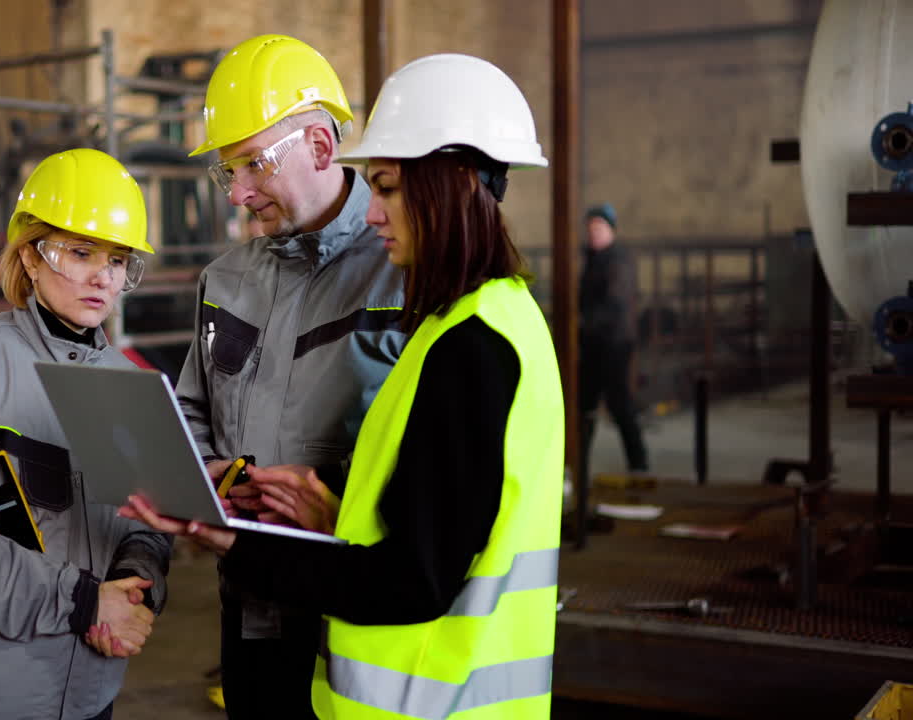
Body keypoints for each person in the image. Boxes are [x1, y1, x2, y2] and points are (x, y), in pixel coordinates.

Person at [123, 53, 565, 720]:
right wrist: (234, 493)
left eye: (385, 187)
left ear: (444, 185)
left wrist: (242, 540)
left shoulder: (460, 335)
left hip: (408, 674)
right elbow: (431, 523)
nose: (376, 211)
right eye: (227, 172)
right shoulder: (489, 319)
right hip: (303, 621)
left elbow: (414, 574)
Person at [175, 33, 407, 720]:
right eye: (227, 172)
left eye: (253, 164)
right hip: (251, 603)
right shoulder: (226, 280)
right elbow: (191, 413)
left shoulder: (405, 270)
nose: (240, 194)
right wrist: (207, 481)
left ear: (320, 148)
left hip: (357, 608)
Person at [0, 149, 172, 720]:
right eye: (80, 251)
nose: (103, 276)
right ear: (31, 255)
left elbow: (146, 520)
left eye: (118, 260)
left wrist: (133, 581)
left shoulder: (127, 382)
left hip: (89, 693)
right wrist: (84, 602)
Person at [579, 203, 649, 472]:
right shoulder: (593, 259)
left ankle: (639, 464)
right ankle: (577, 463)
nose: (594, 233)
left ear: (611, 231)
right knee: (584, 406)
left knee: (619, 405)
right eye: (591, 228)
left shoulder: (618, 260)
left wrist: (585, 322)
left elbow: (615, 303)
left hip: (614, 344)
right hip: (594, 344)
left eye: (599, 228)